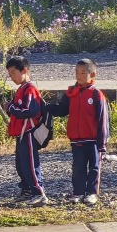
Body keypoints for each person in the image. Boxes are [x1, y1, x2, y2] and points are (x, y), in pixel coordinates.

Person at [47, 58, 110, 205]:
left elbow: (103, 120)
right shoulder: (71, 93)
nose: (78, 75)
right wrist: (47, 107)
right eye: (76, 72)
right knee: (78, 167)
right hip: (76, 139)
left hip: (93, 139)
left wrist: (102, 142)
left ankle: (92, 193)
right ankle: (78, 192)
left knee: (94, 167)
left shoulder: (96, 95)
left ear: (92, 75)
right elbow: (62, 109)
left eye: (82, 72)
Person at [5, 56, 48, 206]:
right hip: (21, 134)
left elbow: (30, 111)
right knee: (21, 165)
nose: (12, 77)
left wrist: (11, 107)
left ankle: (39, 193)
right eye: (9, 74)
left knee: (30, 164)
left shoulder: (30, 89)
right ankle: (27, 190)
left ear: (24, 70)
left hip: (28, 133)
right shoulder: (22, 89)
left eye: (13, 73)